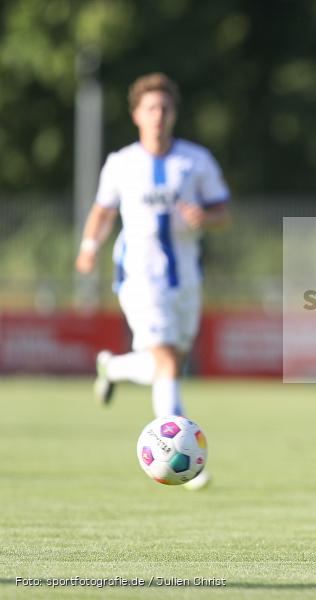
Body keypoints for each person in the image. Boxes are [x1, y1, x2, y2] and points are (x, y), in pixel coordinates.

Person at [75, 73, 231, 490]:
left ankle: (112, 366)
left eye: (164, 108)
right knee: (164, 361)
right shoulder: (122, 163)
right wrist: (90, 245)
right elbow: (103, 209)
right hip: (139, 275)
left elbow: (222, 211)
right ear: (136, 115)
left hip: (184, 277)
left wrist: (205, 218)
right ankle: (175, 452)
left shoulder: (195, 161)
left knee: (169, 364)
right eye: (150, 108)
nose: (158, 115)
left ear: (173, 114)